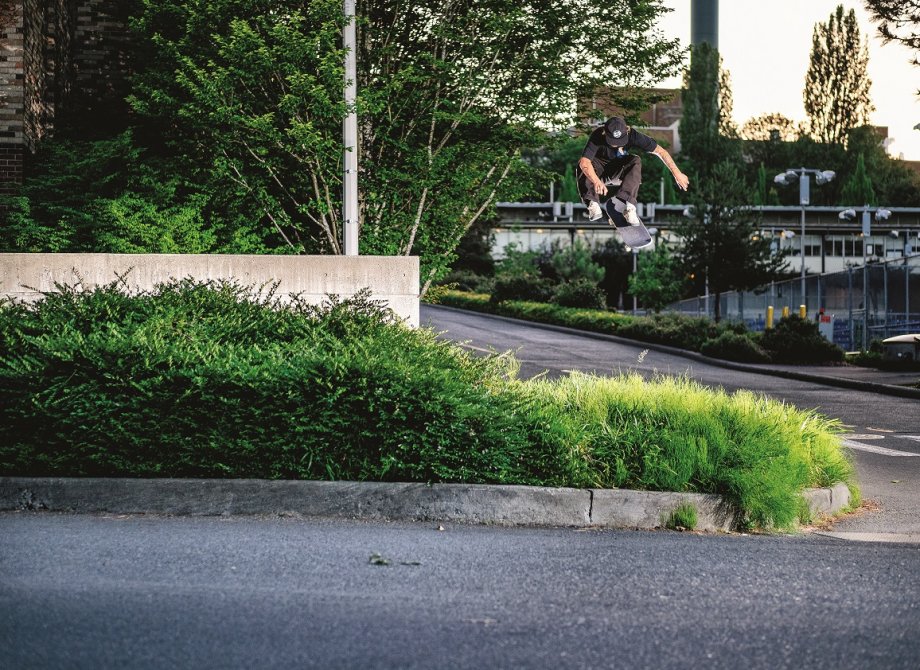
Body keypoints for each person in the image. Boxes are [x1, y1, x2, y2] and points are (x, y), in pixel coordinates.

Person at [577, 116, 689, 225]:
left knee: (635, 160)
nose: (616, 144)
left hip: (616, 172)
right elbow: (585, 162)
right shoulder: (597, 135)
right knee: (583, 164)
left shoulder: (633, 135)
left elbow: (661, 152)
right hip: (597, 173)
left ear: (627, 131)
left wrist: (677, 173)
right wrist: (596, 181)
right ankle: (593, 203)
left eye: (620, 141)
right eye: (612, 141)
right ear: (604, 133)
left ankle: (628, 206)